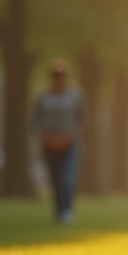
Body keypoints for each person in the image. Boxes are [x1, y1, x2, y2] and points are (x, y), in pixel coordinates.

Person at [33, 58, 84, 224]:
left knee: (67, 178)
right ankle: (59, 211)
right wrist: (47, 137)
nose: (58, 78)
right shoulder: (42, 98)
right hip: (49, 144)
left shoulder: (76, 96)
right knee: (54, 180)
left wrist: (69, 136)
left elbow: (82, 120)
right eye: (55, 75)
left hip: (69, 144)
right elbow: (35, 121)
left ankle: (67, 211)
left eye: (61, 75)